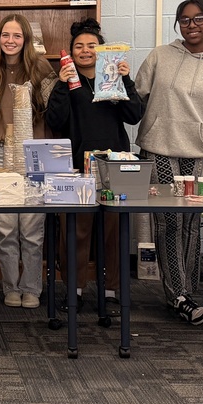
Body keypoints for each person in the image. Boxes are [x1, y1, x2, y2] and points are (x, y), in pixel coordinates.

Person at [135, 0, 203, 325]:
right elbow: (134, 95)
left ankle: (184, 292)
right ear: (178, 24)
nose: (191, 25)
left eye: (198, 19)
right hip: (159, 151)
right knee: (169, 223)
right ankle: (178, 295)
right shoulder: (160, 56)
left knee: (191, 223)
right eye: (184, 20)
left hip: (202, 157)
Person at [46, 18, 142, 314]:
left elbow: (134, 115)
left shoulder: (112, 78)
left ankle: (112, 290)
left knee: (113, 231)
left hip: (114, 167)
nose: (85, 51)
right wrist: (62, 86)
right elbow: (54, 121)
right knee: (75, 230)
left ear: (101, 51)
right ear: (71, 52)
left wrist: (125, 80)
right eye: (79, 46)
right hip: (75, 167)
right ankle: (74, 289)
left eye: (92, 46)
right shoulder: (66, 81)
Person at [0, 13, 57, 310]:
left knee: (30, 228)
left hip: (34, 154)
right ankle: (10, 287)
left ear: (26, 39)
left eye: (17, 36)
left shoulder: (41, 68)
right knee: (4, 229)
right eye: (5, 35)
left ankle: (32, 288)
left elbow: (56, 110)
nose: (10, 41)